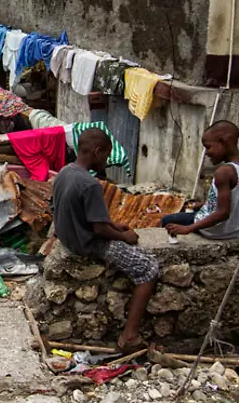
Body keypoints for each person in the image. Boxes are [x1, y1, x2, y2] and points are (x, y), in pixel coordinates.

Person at [53, 128, 159, 353]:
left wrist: (112, 224)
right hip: (88, 244)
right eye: (106, 155)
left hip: (69, 236)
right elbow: (99, 228)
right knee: (148, 268)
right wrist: (123, 236)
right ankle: (129, 336)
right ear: (97, 151)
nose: (107, 160)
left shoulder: (65, 172)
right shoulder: (90, 184)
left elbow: (89, 216)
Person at [162, 120, 239, 239]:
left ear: (223, 142)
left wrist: (188, 228)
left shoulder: (224, 172)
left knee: (167, 220)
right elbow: (234, 201)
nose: (207, 153)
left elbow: (223, 213)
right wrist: (203, 204)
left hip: (218, 231)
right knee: (188, 209)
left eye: (208, 147)